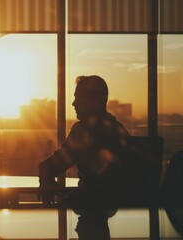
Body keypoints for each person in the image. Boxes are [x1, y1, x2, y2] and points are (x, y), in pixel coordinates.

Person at [38, 75, 130, 240]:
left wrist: (47, 183)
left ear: (91, 101)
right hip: (105, 208)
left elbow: (51, 166)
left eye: (77, 98)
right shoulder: (118, 130)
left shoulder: (84, 131)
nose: (73, 104)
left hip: (90, 205)